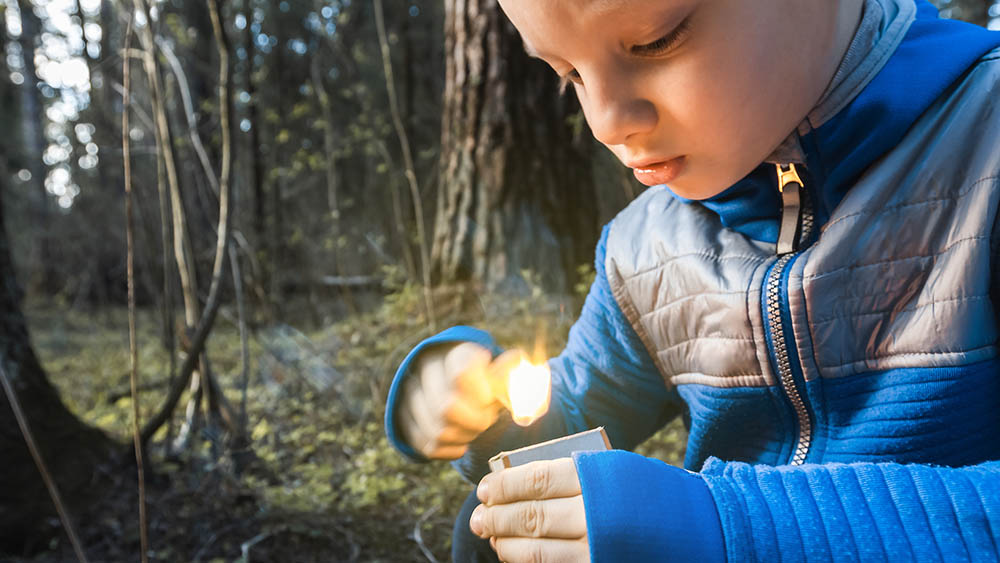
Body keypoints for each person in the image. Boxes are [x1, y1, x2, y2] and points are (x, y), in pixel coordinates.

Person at [384, 0, 1000, 560]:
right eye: (568, 74)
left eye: (656, 41)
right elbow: (573, 414)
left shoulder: (986, 145)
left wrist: (735, 529)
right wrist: (476, 406)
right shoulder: (644, 248)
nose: (605, 122)